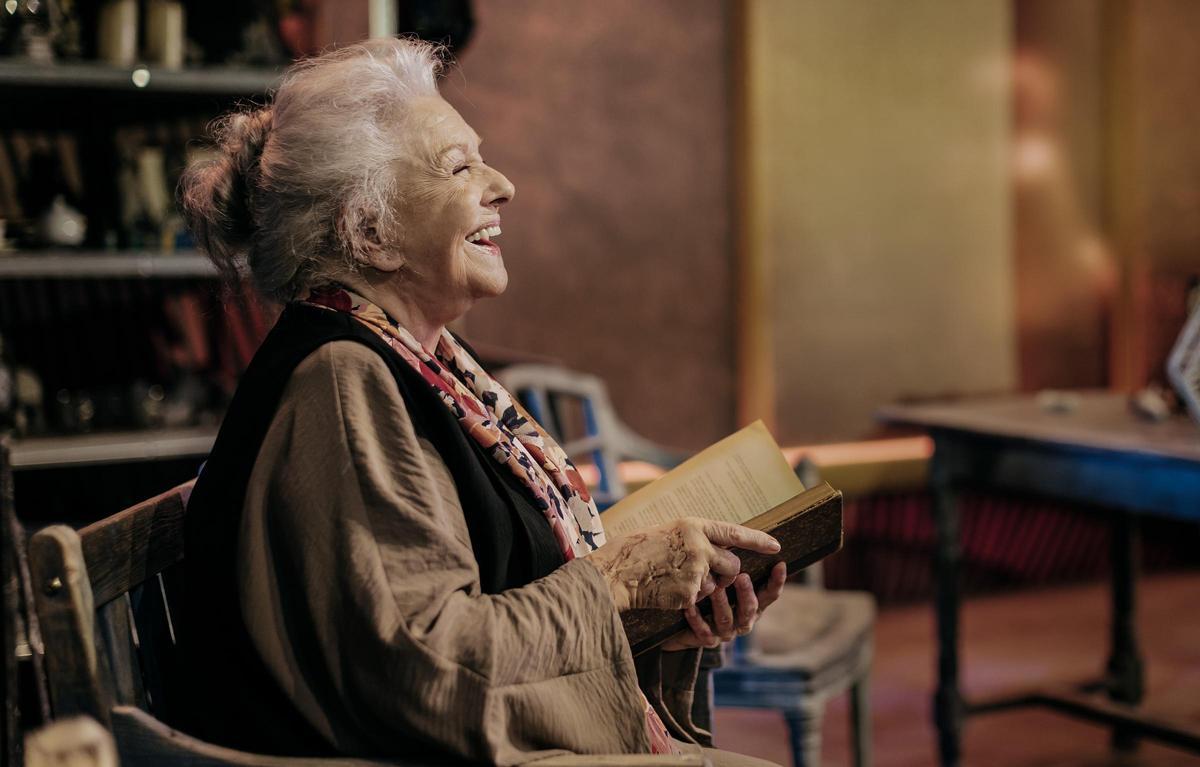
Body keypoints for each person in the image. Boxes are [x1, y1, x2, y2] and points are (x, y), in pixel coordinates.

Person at [176, 38, 787, 767]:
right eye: (460, 167)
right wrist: (616, 581)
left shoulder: (419, 358)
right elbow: (425, 665)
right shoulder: (341, 381)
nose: (503, 186)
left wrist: (650, 616)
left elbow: (488, 617)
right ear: (369, 231)